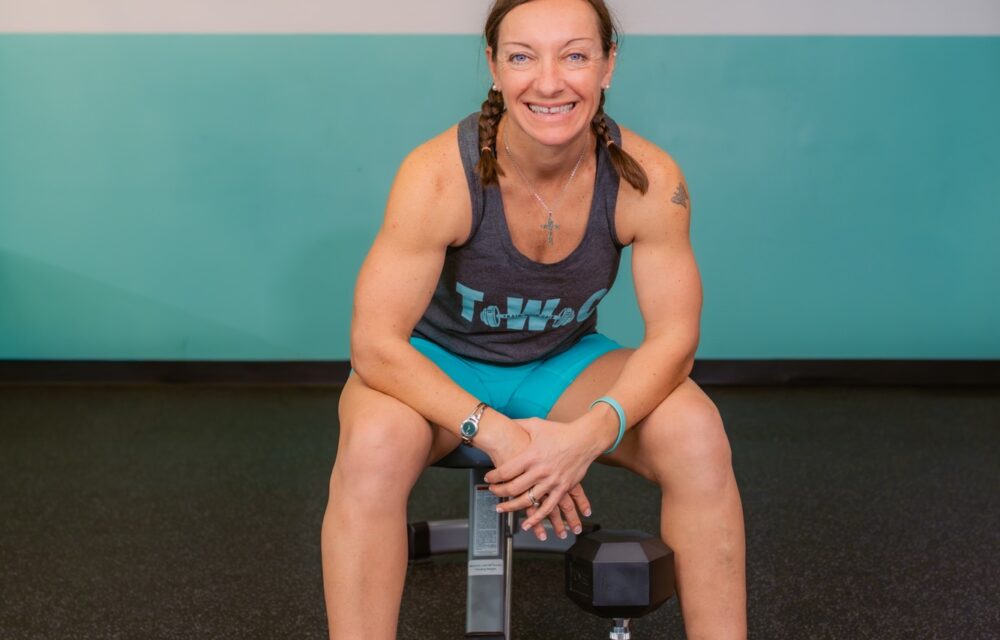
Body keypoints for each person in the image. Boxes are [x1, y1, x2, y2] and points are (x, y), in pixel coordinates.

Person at [321, 0, 746, 637]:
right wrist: (500, 434)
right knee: (373, 447)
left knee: (697, 434)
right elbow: (376, 345)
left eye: (574, 55)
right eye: (523, 57)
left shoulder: (650, 180)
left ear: (608, 65)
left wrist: (587, 436)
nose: (549, 82)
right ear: (494, 66)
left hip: (559, 363)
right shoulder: (438, 176)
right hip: (438, 362)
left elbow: (675, 339)